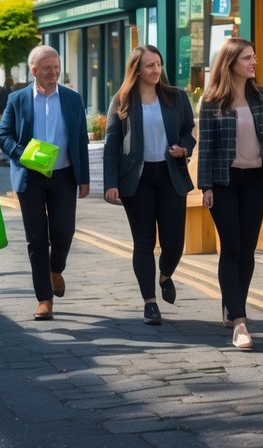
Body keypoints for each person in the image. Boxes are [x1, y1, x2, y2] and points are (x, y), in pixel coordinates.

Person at [0, 45, 91, 321]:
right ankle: (44, 298)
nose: (54, 72)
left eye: (57, 67)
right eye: (47, 68)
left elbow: (81, 140)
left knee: (64, 232)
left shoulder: (72, 99)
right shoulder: (18, 99)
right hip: (31, 178)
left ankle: (55, 268)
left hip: (63, 175)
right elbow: (3, 134)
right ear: (34, 71)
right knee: (37, 239)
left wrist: (84, 179)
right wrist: (20, 154)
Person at [102, 45, 196, 326]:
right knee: (143, 242)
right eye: (149, 66)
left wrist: (184, 148)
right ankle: (150, 303)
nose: (156, 70)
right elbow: (112, 144)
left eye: (158, 64)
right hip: (137, 179)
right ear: (137, 69)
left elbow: (187, 131)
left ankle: (166, 273)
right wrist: (111, 183)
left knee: (174, 243)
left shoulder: (176, 97)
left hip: (170, 176)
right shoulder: (122, 100)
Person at [196, 36, 263, 350]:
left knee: (247, 250)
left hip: (255, 179)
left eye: (254, 57)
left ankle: (233, 303)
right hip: (224, 181)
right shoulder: (213, 100)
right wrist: (206, 186)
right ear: (231, 64)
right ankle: (239, 322)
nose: (254, 62)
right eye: (247, 59)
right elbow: (206, 149)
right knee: (231, 246)